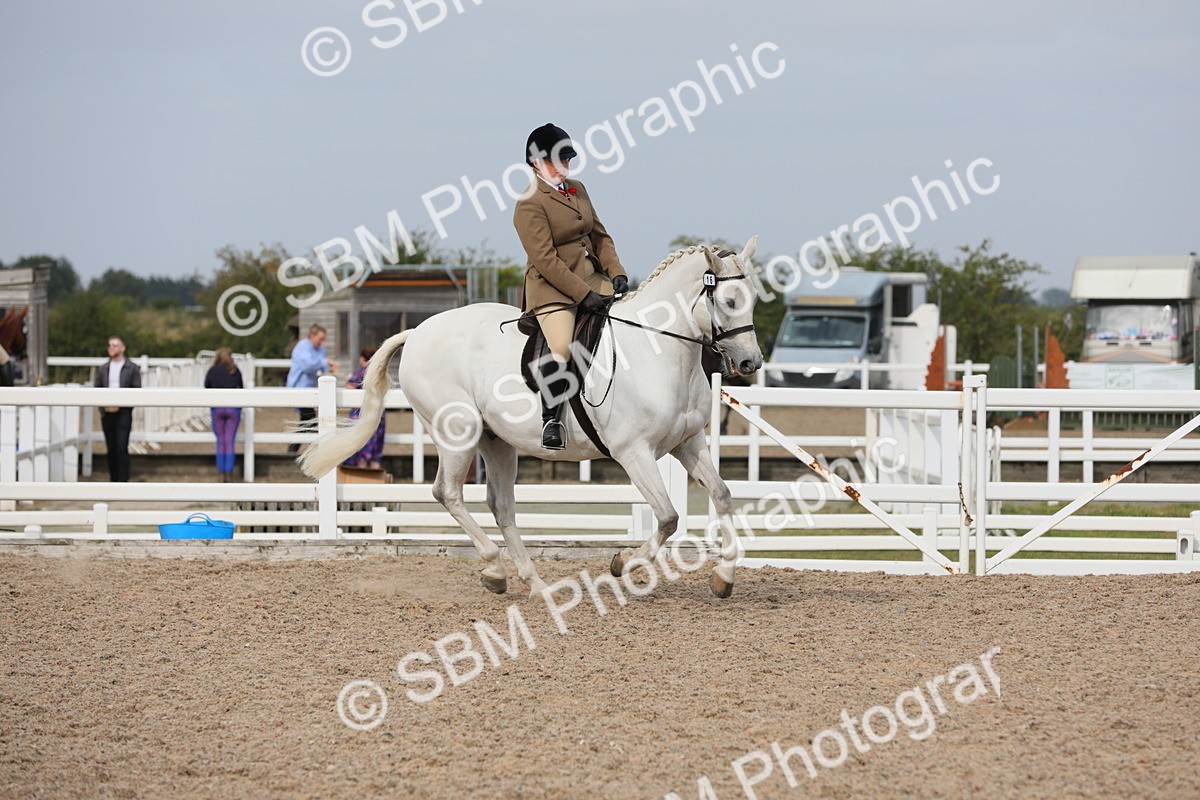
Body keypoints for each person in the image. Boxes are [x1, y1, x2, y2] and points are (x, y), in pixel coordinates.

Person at [513, 122, 630, 449]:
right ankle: (551, 418)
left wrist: (615, 270)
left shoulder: (577, 189)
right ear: (536, 162)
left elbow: (600, 236)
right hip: (552, 287)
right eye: (555, 161)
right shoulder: (529, 202)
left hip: (591, 274)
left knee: (631, 321)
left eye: (567, 160)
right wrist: (584, 295)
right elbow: (545, 259)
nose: (564, 168)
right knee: (563, 346)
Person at [92, 336, 141, 482]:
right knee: (111, 448)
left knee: (121, 447)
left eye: (114, 345)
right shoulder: (103, 368)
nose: (111, 347)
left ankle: (123, 480)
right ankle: (113, 480)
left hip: (123, 412)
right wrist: (103, 406)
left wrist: (125, 405)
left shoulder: (132, 368)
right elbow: (97, 387)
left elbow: (136, 388)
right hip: (107, 412)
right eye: (109, 345)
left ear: (123, 348)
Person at [286, 324, 338, 453]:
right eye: (320, 338)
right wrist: (326, 362)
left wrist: (329, 371)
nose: (322, 342)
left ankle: (293, 451)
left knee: (306, 421)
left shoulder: (319, 349)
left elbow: (322, 368)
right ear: (312, 336)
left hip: (310, 389)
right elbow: (308, 366)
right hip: (299, 388)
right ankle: (318, 451)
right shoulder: (302, 347)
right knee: (311, 421)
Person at [204, 348, 244, 482]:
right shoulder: (235, 370)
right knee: (229, 441)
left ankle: (222, 474)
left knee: (221, 442)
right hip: (233, 409)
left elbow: (206, 387)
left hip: (217, 408)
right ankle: (229, 473)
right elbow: (241, 388)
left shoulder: (212, 371)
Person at [342, 346, 386, 469]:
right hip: (378, 413)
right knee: (375, 448)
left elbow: (350, 388)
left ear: (362, 359)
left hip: (361, 413)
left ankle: (361, 479)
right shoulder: (380, 373)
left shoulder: (360, 372)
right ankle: (375, 480)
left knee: (361, 446)